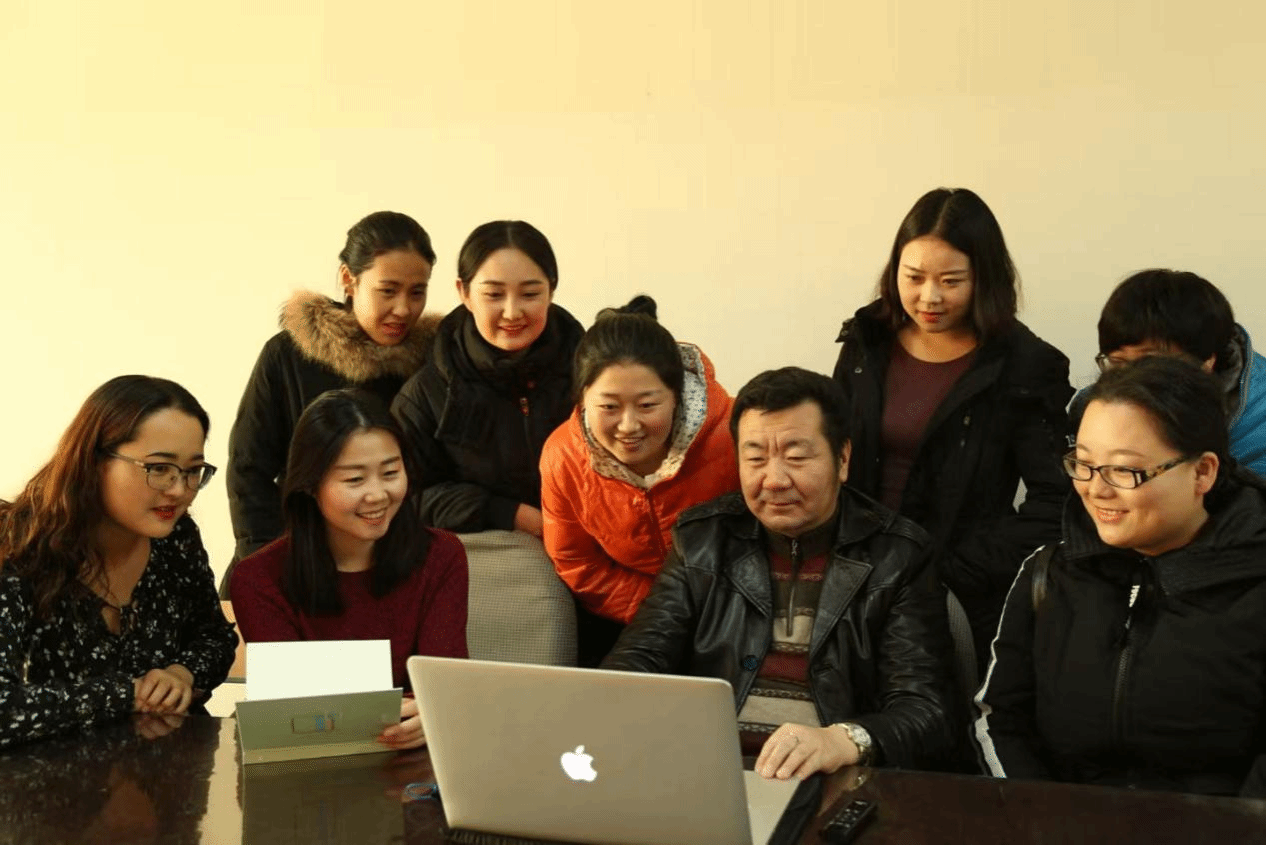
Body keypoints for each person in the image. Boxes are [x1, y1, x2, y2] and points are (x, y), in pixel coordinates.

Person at [603, 367, 955, 779]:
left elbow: (926, 710)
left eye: (796, 457)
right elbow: (637, 662)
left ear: (842, 459)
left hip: (831, 780)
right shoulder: (702, 540)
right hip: (709, 774)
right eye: (755, 458)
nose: (773, 480)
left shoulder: (898, 555)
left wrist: (845, 740)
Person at [975, 355, 1266, 795]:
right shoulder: (1048, 574)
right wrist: (1041, 814)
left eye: (1124, 470)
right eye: (1083, 464)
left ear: (1202, 472)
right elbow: (1000, 718)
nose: (1096, 489)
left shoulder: (1254, 584)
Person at [832, 187, 1072, 666]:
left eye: (951, 281)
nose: (930, 297)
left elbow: (1057, 501)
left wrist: (956, 570)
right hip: (852, 579)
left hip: (956, 596)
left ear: (985, 278)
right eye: (913, 277)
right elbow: (830, 450)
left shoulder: (1026, 364)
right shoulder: (867, 341)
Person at [0, 375, 238, 748]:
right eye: (159, 468)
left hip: (169, 770)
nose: (179, 490)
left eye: (193, 471)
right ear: (94, 461)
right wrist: (128, 693)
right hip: (49, 778)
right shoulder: (15, 545)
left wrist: (182, 673)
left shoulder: (176, 537)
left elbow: (214, 636)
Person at [230, 389, 468, 750]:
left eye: (391, 472)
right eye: (355, 480)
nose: (377, 494)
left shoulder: (441, 555)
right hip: (312, 760)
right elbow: (294, 709)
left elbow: (444, 683)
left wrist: (433, 712)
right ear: (310, 485)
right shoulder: (258, 579)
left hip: (420, 754)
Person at [227, 210, 440, 574]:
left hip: (391, 568)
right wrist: (266, 565)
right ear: (348, 279)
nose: (404, 309)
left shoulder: (432, 364)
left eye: (417, 292)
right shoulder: (290, 354)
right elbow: (248, 470)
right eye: (388, 291)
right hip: (291, 559)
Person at [540, 296, 739, 665]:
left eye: (647, 405)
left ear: (677, 396)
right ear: (582, 399)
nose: (629, 425)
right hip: (629, 617)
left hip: (732, 615)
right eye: (609, 407)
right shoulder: (562, 456)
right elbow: (577, 562)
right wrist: (665, 614)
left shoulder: (737, 436)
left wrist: (717, 614)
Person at [392, 219, 584, 535]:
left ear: (551, 290)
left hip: (592, 537)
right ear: (464, 293)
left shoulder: (593, 374)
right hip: (489, 549)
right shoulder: (426, 395)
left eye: (530, 293)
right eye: (494, 295)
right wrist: (508, 514)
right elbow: (405, 497)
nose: (512, 312)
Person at [1069, 268, 1266, 475]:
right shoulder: (1090, 407)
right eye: (1118, 363)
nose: (1132, 379)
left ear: (1207, 360)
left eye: (1149, 364)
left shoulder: (1257, 423)